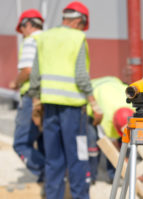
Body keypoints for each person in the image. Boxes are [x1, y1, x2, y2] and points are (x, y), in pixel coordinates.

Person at [28, 2, 102, 199]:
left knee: (53, 159)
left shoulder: (44, 37)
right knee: (78, 157)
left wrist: (36, 104)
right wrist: (94, 103)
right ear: (79, 21)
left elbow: (35, 75)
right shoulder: (77, 38)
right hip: (73, 110)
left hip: (49, 107)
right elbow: (81, 75)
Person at [10, 9, 45, 182]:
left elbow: (28, 70)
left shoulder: (31, 41)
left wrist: (16, 82)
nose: (22, 34)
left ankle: (45, 173)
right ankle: (55, 179)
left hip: (32, 97)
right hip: (50, 98)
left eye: (22, 29)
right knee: (45, 142)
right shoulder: (48, 40)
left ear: (28, 25)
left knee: (21, 143)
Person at [86, 76, 134, 183]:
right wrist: (127, 166)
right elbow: (110, 145)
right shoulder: (106, 118)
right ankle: (91, 177)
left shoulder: (134, 107)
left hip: (113, 82)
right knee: (93, 141)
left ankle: (116, 176)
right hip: (93, 96)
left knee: (124, 143)